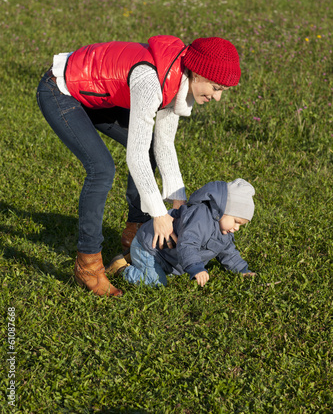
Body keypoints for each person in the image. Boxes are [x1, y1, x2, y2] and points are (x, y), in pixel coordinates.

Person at [36, 35, 241, 297]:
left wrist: (178, 203)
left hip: (97, 97)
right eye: (216, 87)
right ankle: (87, 264)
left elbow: (164, 146)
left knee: (153, 146)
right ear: (197, 73)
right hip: (60, 90)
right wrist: (159, 214)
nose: (218, 97)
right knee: (101, 170)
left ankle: (135, 234)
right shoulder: (150, 81)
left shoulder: (180, 82)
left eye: (223, 90)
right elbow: (136, 155)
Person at [106, 179, 256, 287]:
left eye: (240, 225)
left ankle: (132, 257)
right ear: (223, 210)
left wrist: (242, 270)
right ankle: (122, 269)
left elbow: (228, 252)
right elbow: (187, 244)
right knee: (156, 281)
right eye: (236, 221)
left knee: (164, 273)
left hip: (165, 257)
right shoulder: (200, 219)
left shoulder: (224, 231)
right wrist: (196, 267)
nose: (236, 228)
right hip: (151, 249)